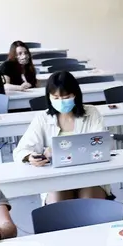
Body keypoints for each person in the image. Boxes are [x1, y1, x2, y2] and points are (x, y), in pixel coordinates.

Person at [12, 71, 108, 203]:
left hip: (89, 174)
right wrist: (30, 157)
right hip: (56, 176)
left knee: (90, 201)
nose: (61, 102)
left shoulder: (92, 113)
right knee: (58, 202)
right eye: (56, 98)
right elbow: (21, 150)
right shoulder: (42, 118)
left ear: (75, 94)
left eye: (66, 97)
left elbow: (103, 144)